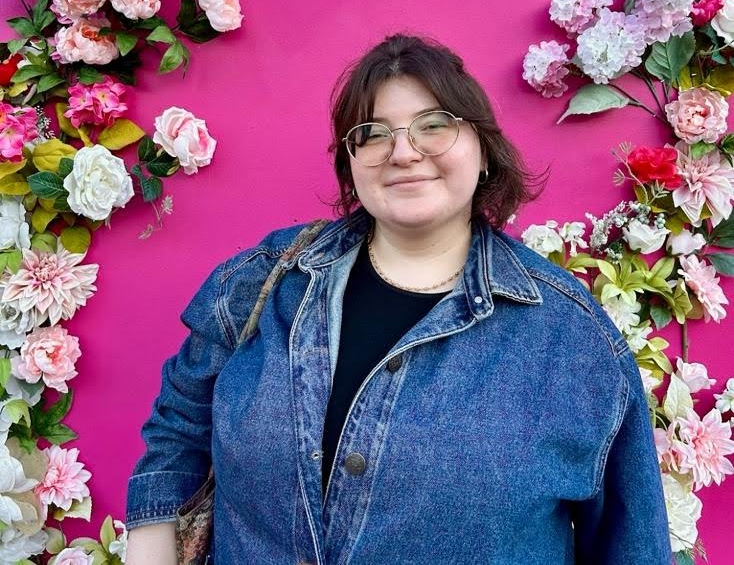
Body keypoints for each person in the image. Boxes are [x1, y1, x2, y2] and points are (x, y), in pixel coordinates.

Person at [125, 33, 672, 564]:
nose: (404, 153)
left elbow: (631, 542)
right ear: (351, 164)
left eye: (435, 126)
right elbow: (181, 423)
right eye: (374, 133)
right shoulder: (268, 280)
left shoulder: (572, 339)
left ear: (483, 152)